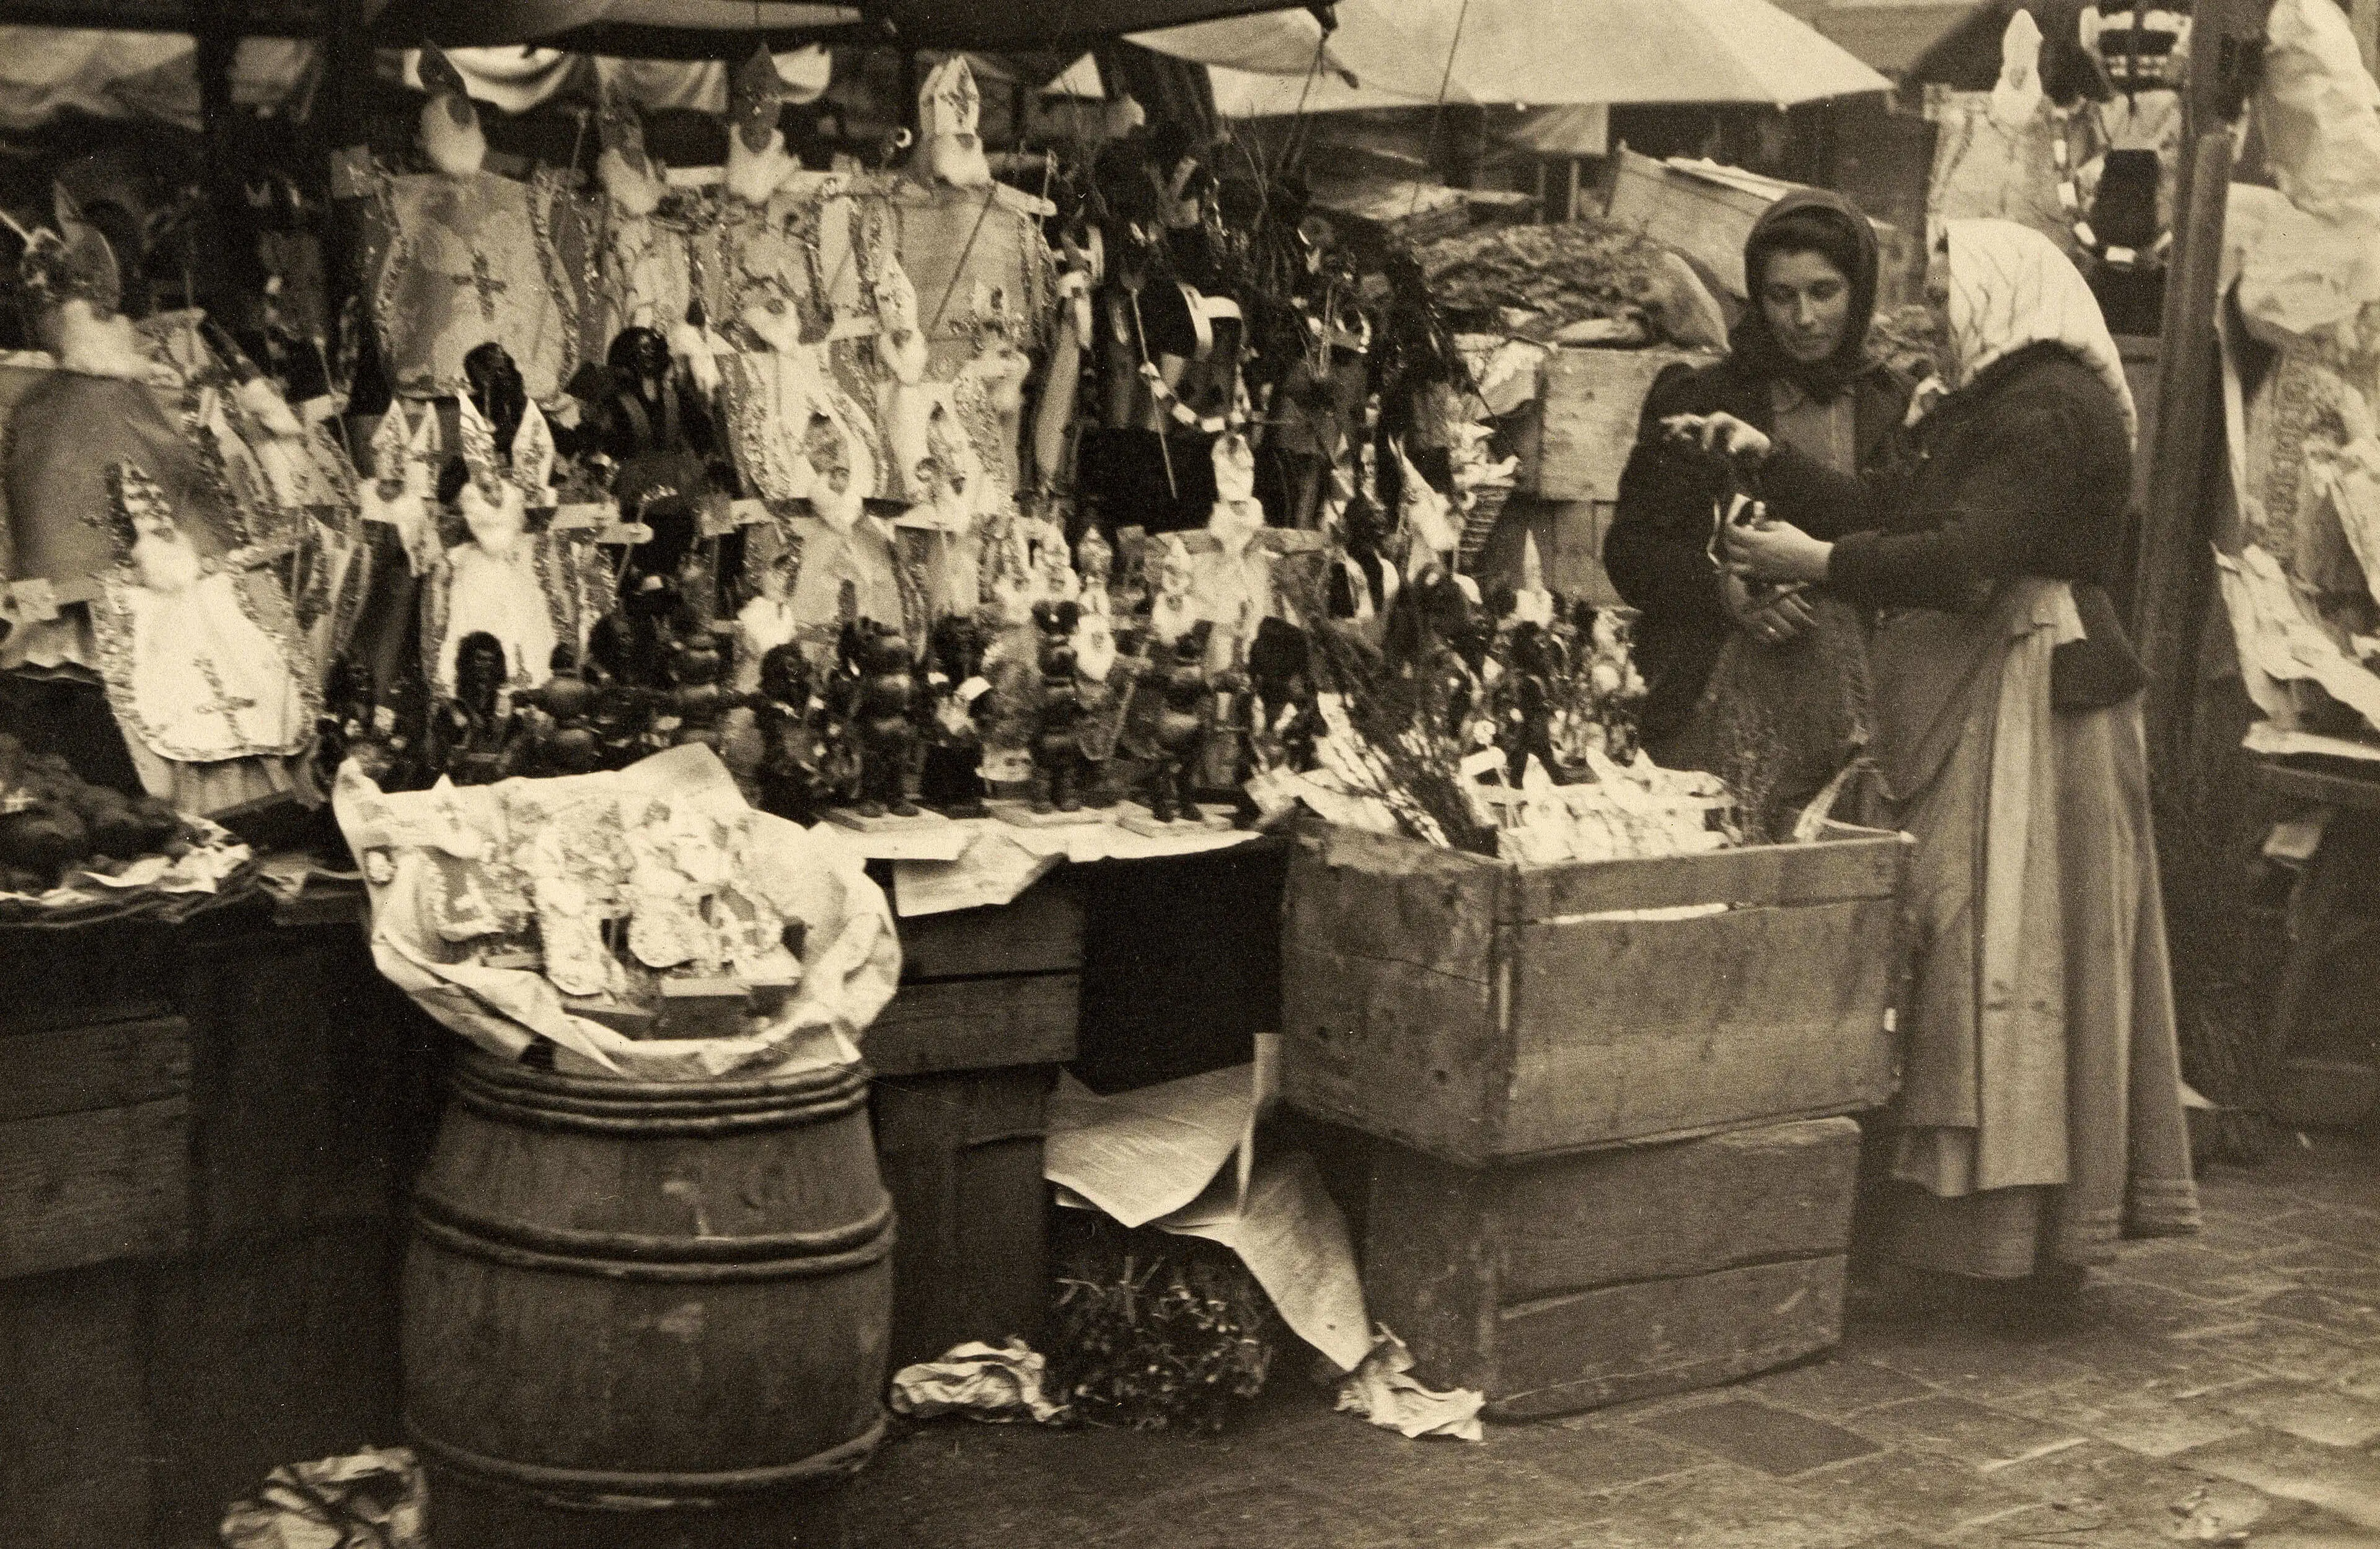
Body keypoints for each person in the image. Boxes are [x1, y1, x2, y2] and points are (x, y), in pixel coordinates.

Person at [1694, 218, 2200, 1288]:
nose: (1931, 309)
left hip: (2032, 689)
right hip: (1992, 677)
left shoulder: (2050, 411)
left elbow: (1966, 557)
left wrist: (1817, 561)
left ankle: (2014, 1233)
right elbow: (1902, 507)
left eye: (1945, 286)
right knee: (1984, 938)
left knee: (2008, 933)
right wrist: (1772, 463)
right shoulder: (2002, 399)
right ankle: (1978, 1224)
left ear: (2002, 289)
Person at [1605, 191, 1914, 786]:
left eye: (1824, 292)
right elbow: (1632, 552)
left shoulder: (1894, 405)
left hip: (1871, 693)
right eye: (1781, 296)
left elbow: (1901, 530)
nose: (1803, 318)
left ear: (1861, 291)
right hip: (1720, 687)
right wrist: (1725, 594)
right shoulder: (1703, 398)